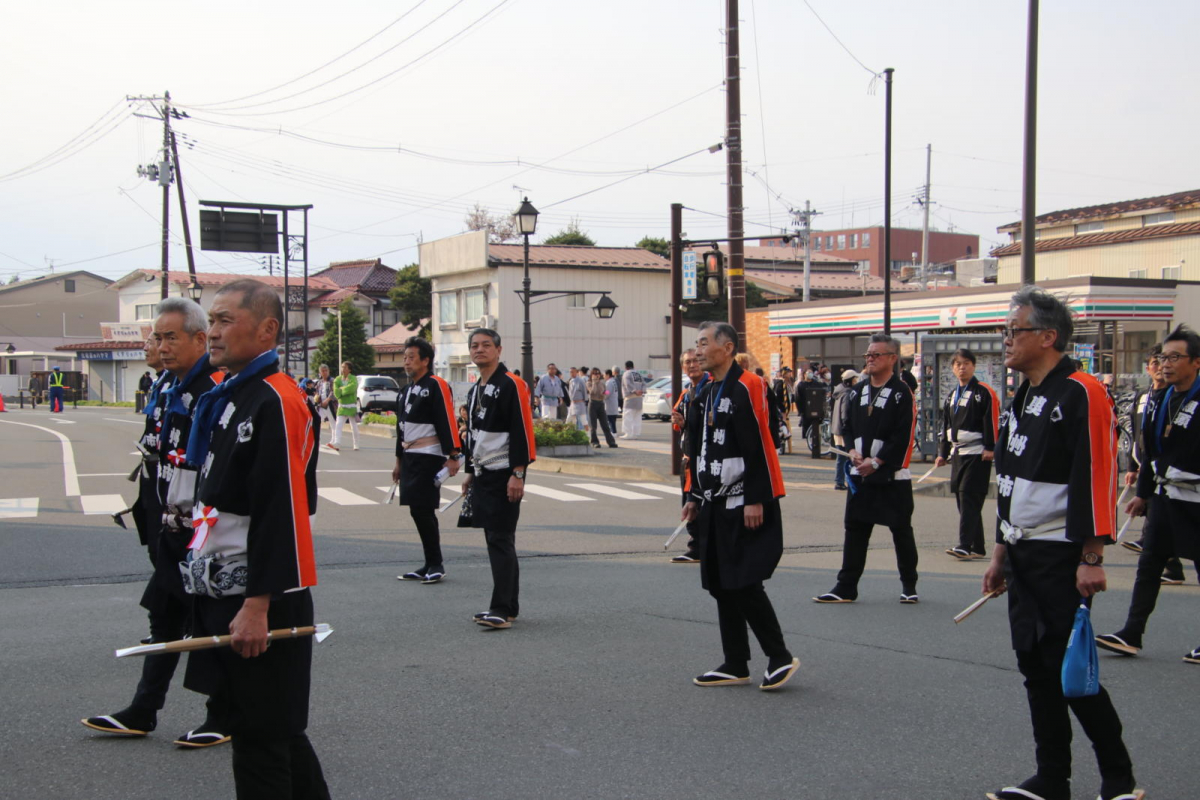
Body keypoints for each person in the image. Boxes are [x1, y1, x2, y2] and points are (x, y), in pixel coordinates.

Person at [981, 286, 1139, 800]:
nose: (1006, 340)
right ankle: (1052, 778)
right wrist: (1002, 550)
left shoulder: (1082, 391)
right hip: (1023, 551)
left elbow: (1096, 473)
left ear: (1048, 337)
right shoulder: (1022, 393)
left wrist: (1092, 556)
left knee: (1070, 669)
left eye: (1015, 331)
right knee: (1034, 666)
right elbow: (1010, 479)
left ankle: (1119, 779)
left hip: (1061, 553)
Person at [181, 279, 330, 798]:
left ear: (267, 329)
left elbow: (282, 508)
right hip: (225, 587)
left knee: (261, 739)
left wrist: (258, 603)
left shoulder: (276, 397)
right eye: (210, 321)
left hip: (262, 594)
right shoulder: (232, 391)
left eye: (223, 320)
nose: (212, 331)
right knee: (270, 728)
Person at [83, 298, 231, 746]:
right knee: (164, 619)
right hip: (171, 525)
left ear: (200, 339)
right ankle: (143, 711)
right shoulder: (169, 384)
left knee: (213, 626)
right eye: (157, 337)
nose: (160, 346)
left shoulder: (216, 387)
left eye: (170, 337)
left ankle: (222, 715)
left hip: (206, 531)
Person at [682, 321, 799, 691]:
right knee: (720, 583)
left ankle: (779, 656)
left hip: (745, 501)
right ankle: (735, 662)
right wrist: (694, 496)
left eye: (704, 343)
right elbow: (698, 450)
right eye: (696, 345)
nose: (697, 351)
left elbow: (760, 445)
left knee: (744, 581)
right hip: (714, 501)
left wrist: (756, 498)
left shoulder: (749, 385)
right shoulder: (705, 390)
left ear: (727, 347)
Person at [1096, 328, 1200, 662]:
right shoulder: (1159, 398)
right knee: (1149, 563)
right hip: (1165, 497)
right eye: (1161, 358)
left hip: (1197, 499)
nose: (1165, 365)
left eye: (1174, 358)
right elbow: (1150, 451)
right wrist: (1142, 493)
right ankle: (1131, 633)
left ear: (1196, 362)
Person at [814, 334, 919, 604]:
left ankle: (909, 584)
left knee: (900, 529)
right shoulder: (859, 390)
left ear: (892, 359)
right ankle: (845, 586)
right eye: (868, 355)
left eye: (876, 355)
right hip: (860, 473)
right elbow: (847, 426)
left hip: (891, 475)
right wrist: (851, 451)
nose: (870, 359)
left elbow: (903, 435)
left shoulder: (900, 392)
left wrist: (878, 461)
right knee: (855, 529)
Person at [462, 328, 535, 630]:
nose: (480, 350)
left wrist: (518, 473)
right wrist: (468, 470)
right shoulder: (476, 387)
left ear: (499, 350)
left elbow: (522, 430)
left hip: (505, 472)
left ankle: (501, 608)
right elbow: (474, 435)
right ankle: (509, 606)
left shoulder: (511, 384)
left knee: (501, 538)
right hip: (482, 473)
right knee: (495, 538)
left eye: (486, 345)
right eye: (475, 346)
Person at [394, 336, 462, 584]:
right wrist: (398, 462)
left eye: (412, 357)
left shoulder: (436, 385)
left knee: (423, 508)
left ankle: (436, 563)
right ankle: (429, 562)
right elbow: (401, 429)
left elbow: (447, 420)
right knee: (416, 510)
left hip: (429, 455)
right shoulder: (405, 391)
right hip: (410, 456)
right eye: (405, 357)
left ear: (426, 360)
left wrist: (453, 455)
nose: (407, 361)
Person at [934, 348, 999, 561]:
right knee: (964, 501)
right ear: (953, 368)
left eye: (966, 363)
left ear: (974, 366)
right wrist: (942, 452)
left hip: (977, 451)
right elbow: (946, 425)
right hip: (958, 452)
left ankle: (964, 544)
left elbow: (991, 420)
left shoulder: (983, 392)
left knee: (969, 496)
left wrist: (990, 447)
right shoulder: (952, 396)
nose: (962, 367)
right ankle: (977, 546)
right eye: (958, 364)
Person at [669, 348, 708, 563]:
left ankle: (701, 548)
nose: (692, 365)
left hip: (704, 458)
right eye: (687, 362)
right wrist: (678, 421)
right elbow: (677, 419)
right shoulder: (686, 392)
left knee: (699, 503)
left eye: (695, 361)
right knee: (689, 502)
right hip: (689, 458)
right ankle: (696, 546)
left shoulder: (709, 389)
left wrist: (686, 423)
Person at [829, 369, 857, 490]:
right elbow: (845, 413)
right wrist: (848, 427)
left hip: (837, 428)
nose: (857, 381)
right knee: (844, 457)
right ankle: (840, 482)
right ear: (850, 380)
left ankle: (840, 481)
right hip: (843, 430)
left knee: (841, 457)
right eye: (855, 379)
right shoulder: (847, 393)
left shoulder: (840, 390)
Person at [329, 360, 359, 451]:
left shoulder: (353, 378)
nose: (343, 369)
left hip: (351, 405)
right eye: (342, 367)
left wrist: (341, 390)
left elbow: (352, 388)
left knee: (353, 426)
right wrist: (341, 391)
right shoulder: (337, 379)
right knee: (338, 424)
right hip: (342, 405)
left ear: (349, 369)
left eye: (345, 367)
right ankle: (337, 442)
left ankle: (356, 443)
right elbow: (336, 392)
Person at [587, 367, 617, 448]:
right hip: (593, 404)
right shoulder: (589, 383)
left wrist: (605, 394)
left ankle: (611, 442)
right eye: (595, 373)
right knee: (593, 426)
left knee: (605, 425)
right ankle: (594, 442)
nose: (597, 375)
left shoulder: (602, 383)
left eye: (598, 373)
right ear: (591, 375)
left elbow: (606, 391)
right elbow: (592, 392)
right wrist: (594, 382)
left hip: (601, 404)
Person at [770, 366, 794, 453]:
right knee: (781, 426)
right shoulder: (780, 383)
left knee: (782, 426)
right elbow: (779, 397)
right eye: (788, 372)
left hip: (782, 409)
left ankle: (782, 444)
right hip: (781, 409)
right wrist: (783, 409)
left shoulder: (786, 382)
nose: (789, 374)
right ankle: (780, 446)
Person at [620, 360, 645, 439]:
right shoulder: (639, 374)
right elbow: (644, 384)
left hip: (630, 398)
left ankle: (628, 433)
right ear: (633, 366)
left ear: (626, 367)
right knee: (637, 417)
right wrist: (642, 391)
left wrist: (634, 391)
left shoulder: (626, 373)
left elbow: (627, 384)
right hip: (639, 398)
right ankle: (635, 434)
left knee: (628, 416)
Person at [314, 364, 336, 437]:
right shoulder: (319, 382)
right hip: (321, 404)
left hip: (330, 404)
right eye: (323, 371)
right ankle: (316, 438)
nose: (325, 372)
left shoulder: (332, 380)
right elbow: (317, 391)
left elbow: (333, 391)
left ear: (328, 371)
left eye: (326, 371)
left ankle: (334, 440)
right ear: (320, 372)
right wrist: (316, 397)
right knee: (317, 420)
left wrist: (327, 400)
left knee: (332, 422)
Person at [568, 366, 589, 431]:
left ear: (577, 372)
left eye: (573, 372)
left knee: (583, 419)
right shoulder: (571, 381)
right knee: (570, 419)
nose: (571, 373)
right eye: (570, 372)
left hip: (580, 402)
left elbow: (584, 391)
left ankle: (588, 434)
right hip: (573, 402)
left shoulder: (581, 380)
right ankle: (574, 433)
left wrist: (585, 400)